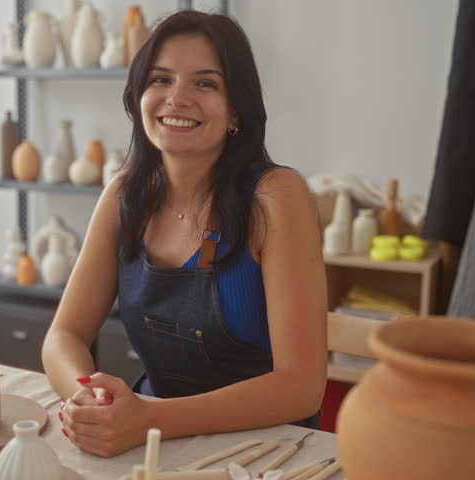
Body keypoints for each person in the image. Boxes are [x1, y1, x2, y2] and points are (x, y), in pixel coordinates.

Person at [42, 10, 327, 458]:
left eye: (205, 83)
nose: (177, 98)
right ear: (139, 94)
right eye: (161, 79)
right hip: (153, 443)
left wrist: (149, 419)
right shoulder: (122, 195)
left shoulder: (276, 195)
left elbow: (301, 388)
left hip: (270, 450)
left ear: (236, 109)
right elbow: (63, 337)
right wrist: (88, 397)